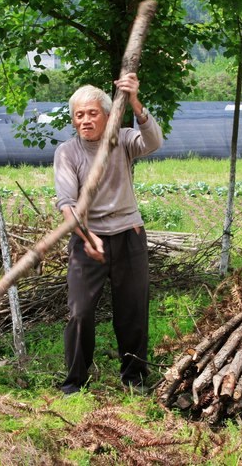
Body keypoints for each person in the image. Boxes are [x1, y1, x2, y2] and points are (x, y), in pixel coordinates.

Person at [53, 72, 163, 395]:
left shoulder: (123, 139)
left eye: (92, 113)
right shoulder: (67, 153)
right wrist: (88, 238)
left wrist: (134, 102)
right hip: (87, 239)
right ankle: (75, 381)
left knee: (132, 309)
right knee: (80, 311)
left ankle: (134, 377)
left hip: (129, 234)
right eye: (78, 115)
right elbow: (67, 204)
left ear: (106, 115)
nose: (85, 121)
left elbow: (154, 141)